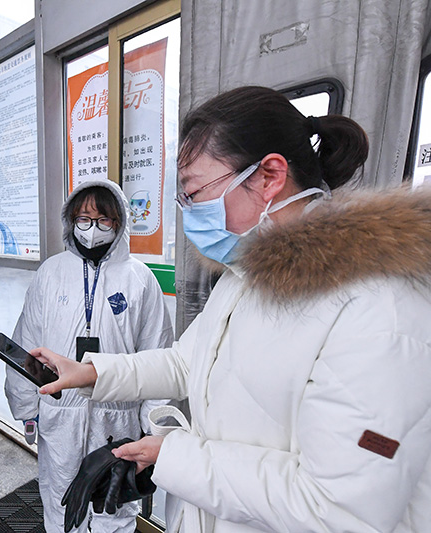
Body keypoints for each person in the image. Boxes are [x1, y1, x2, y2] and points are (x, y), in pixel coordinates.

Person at [30, 86, 431, 532]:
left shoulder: (380, 308)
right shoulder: (247, 273)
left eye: (195, 192)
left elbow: (338, 509)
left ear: (268, 177)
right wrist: (91, 373)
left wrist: (172, 456)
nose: (188, 213)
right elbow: (187, 361)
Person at [4, 179, 174, 533]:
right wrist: (26, 409)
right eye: (83, 219)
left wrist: (152, 426)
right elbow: (28, 341)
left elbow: (156, 355)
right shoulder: (51, 273)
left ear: (119, 223)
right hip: (59, 414)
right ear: (70, 221)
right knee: (58, 495)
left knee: (112, 503)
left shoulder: (140, 280)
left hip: (119, 418)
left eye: (103, 220)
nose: (91, 229)